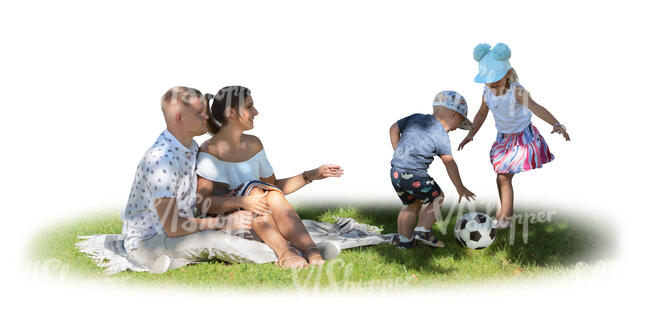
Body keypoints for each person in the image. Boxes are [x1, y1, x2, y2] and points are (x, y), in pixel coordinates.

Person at [195, 86, 344, 269]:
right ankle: (285, 253)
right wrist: (242, 201)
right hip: (231, 222)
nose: (256, 112)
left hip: (259, 212)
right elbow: (203, 203)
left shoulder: (254, 144)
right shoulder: (210, 150)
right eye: (249, 107)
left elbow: (273, 187)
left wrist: (310, 176)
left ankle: (310, 249)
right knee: (255, 190)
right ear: (231, 112)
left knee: (269, 194)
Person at [121, 86, 254, 274]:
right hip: (150, 240)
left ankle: (172, 261)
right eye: (199, 113)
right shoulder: (161, 161)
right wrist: (225, 223)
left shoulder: (190, 146)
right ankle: (287, 255)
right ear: (179, 118)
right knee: (217, 241)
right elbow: (173, 227)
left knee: (243, 231)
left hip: (181, 228)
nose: (206, 116)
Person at [458, 43, 571, 229]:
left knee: (503, 176)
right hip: (504, 139)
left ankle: (506, 217)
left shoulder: (516, 91)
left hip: (522, 139)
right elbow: (481, 114)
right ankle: (504, 211)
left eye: (495, 81)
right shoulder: (487, 91)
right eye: (488, 82)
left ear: (507, 74)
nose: (492, 86)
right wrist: (471, 134)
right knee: (501, 176)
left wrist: (556, 124)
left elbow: (535, 107)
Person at [389, 90, 476, 249]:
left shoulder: (415, 118)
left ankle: (405, 242)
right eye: (460, 122)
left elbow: (393, 128)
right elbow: (449, 162)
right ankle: (423, 231)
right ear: (452, 114)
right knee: (438, 197)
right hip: (414, 174)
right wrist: (460, 187)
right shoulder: (441, 134)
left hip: (395, 172)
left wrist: (399, 153)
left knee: (411, 204)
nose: (457, 128)